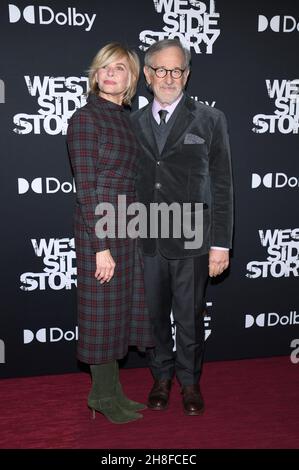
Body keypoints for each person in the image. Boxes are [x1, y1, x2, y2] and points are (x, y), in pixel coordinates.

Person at [131, 39, 233, 415]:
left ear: (186, 75)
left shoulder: (209, 119)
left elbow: (222, 184)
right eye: (161, 69)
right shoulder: (133, 121)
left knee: (189, 316)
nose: (169, 77)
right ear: (147, 75)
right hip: (146, 237)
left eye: (177, 70)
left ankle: (189, 383)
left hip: (193, 238)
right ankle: (160, 378)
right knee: (155, 316)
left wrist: (221, 244)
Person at [67, 43, 153, 424]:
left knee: (118, 314)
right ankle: (101, 397)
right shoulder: (87, 119)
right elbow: (86, 186)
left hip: (125, 227)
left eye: (119, 68)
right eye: (104, 68)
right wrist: (100, 246)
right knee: (101, 316)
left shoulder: (124, 118)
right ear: (96, 74)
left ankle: (113, 392)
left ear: (131, 78)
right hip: (98, 229)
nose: (109, 74)